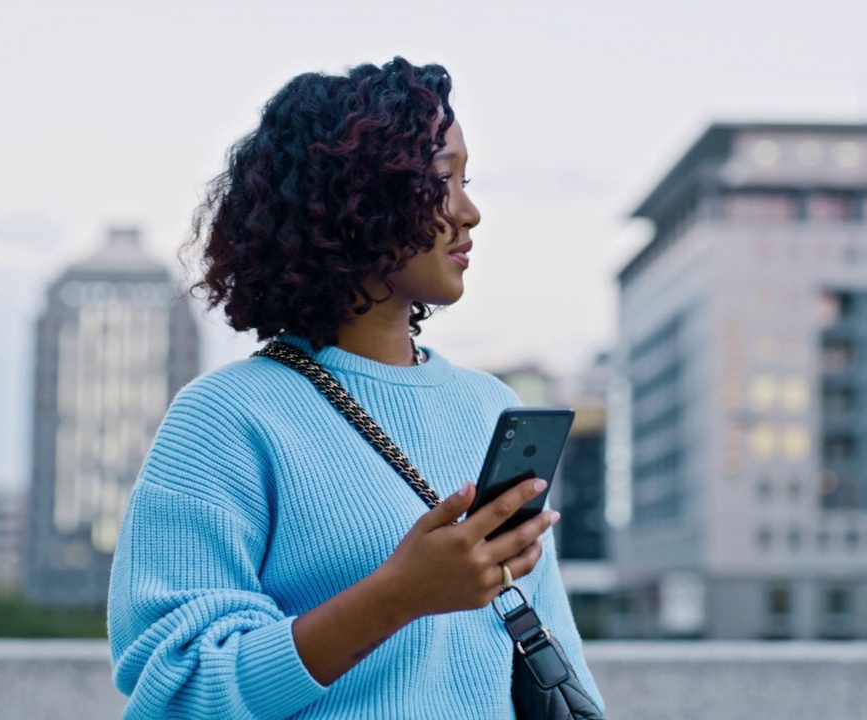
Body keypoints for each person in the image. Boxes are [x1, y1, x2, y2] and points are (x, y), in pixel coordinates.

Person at [107, 56, 605, 719]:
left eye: (467, 180)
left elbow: (555, 655)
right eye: (440, 180)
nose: (471, 211)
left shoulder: (492, 409)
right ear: (353, 199)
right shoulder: (225, 420)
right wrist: (398, 595)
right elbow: (179, 693)